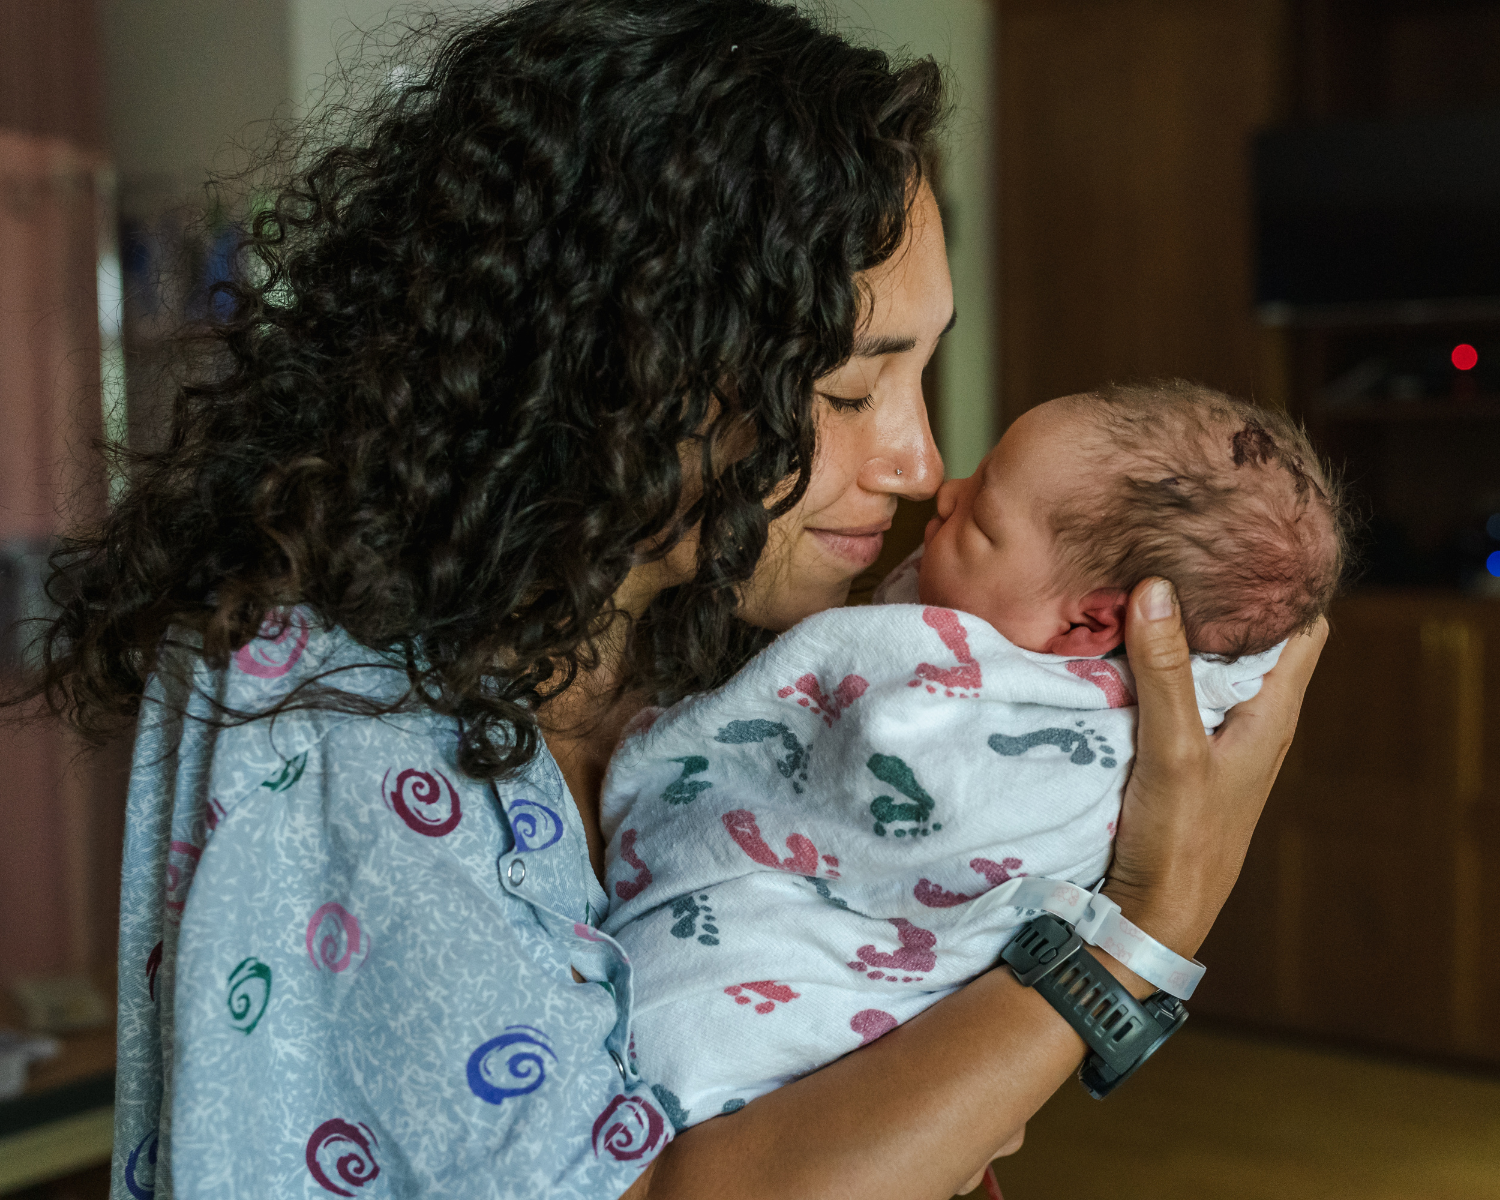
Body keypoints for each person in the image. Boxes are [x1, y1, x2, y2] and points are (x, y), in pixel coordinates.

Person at [20, 2, 1327, 1197]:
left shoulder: (702, 656)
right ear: (635, 366)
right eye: (847, 393)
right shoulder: (348, 719)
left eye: (922, 376)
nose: (921, 465)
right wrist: (1135, 941)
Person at [598, 382, 1348, 1127]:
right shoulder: (1000, 628)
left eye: (983, 521)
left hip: (779, 1017)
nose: (944, 491)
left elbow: (898, 779)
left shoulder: (1082, 743)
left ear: (1090, 624)